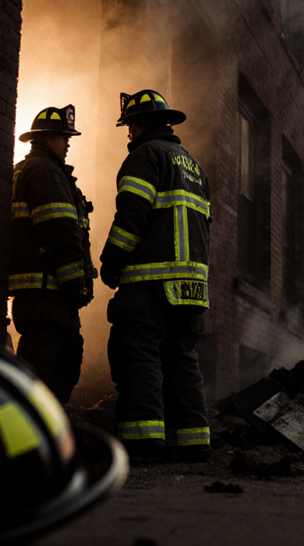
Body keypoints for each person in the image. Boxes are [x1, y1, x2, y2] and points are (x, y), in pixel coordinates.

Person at [100, 89, 212, 461]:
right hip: (191, 286)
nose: (128, 133)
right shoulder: (193, 166)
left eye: (130, 125)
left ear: (142, 123)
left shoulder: (146, 156)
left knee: (139, 353)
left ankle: (143, 441)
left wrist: (111, 261)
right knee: (181, 357)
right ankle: (193, 441)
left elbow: (132, 215)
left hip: (151, 280)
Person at [10, 104, 95, 403]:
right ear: (48, 140)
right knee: (55, 366)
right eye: (63, 137)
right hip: (50, 293)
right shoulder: (46, 172)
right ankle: (39, 435)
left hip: (38, 295)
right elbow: (58, 231)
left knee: (41, 365)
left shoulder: (25, 170)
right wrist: (76, 284)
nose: (68, 143)